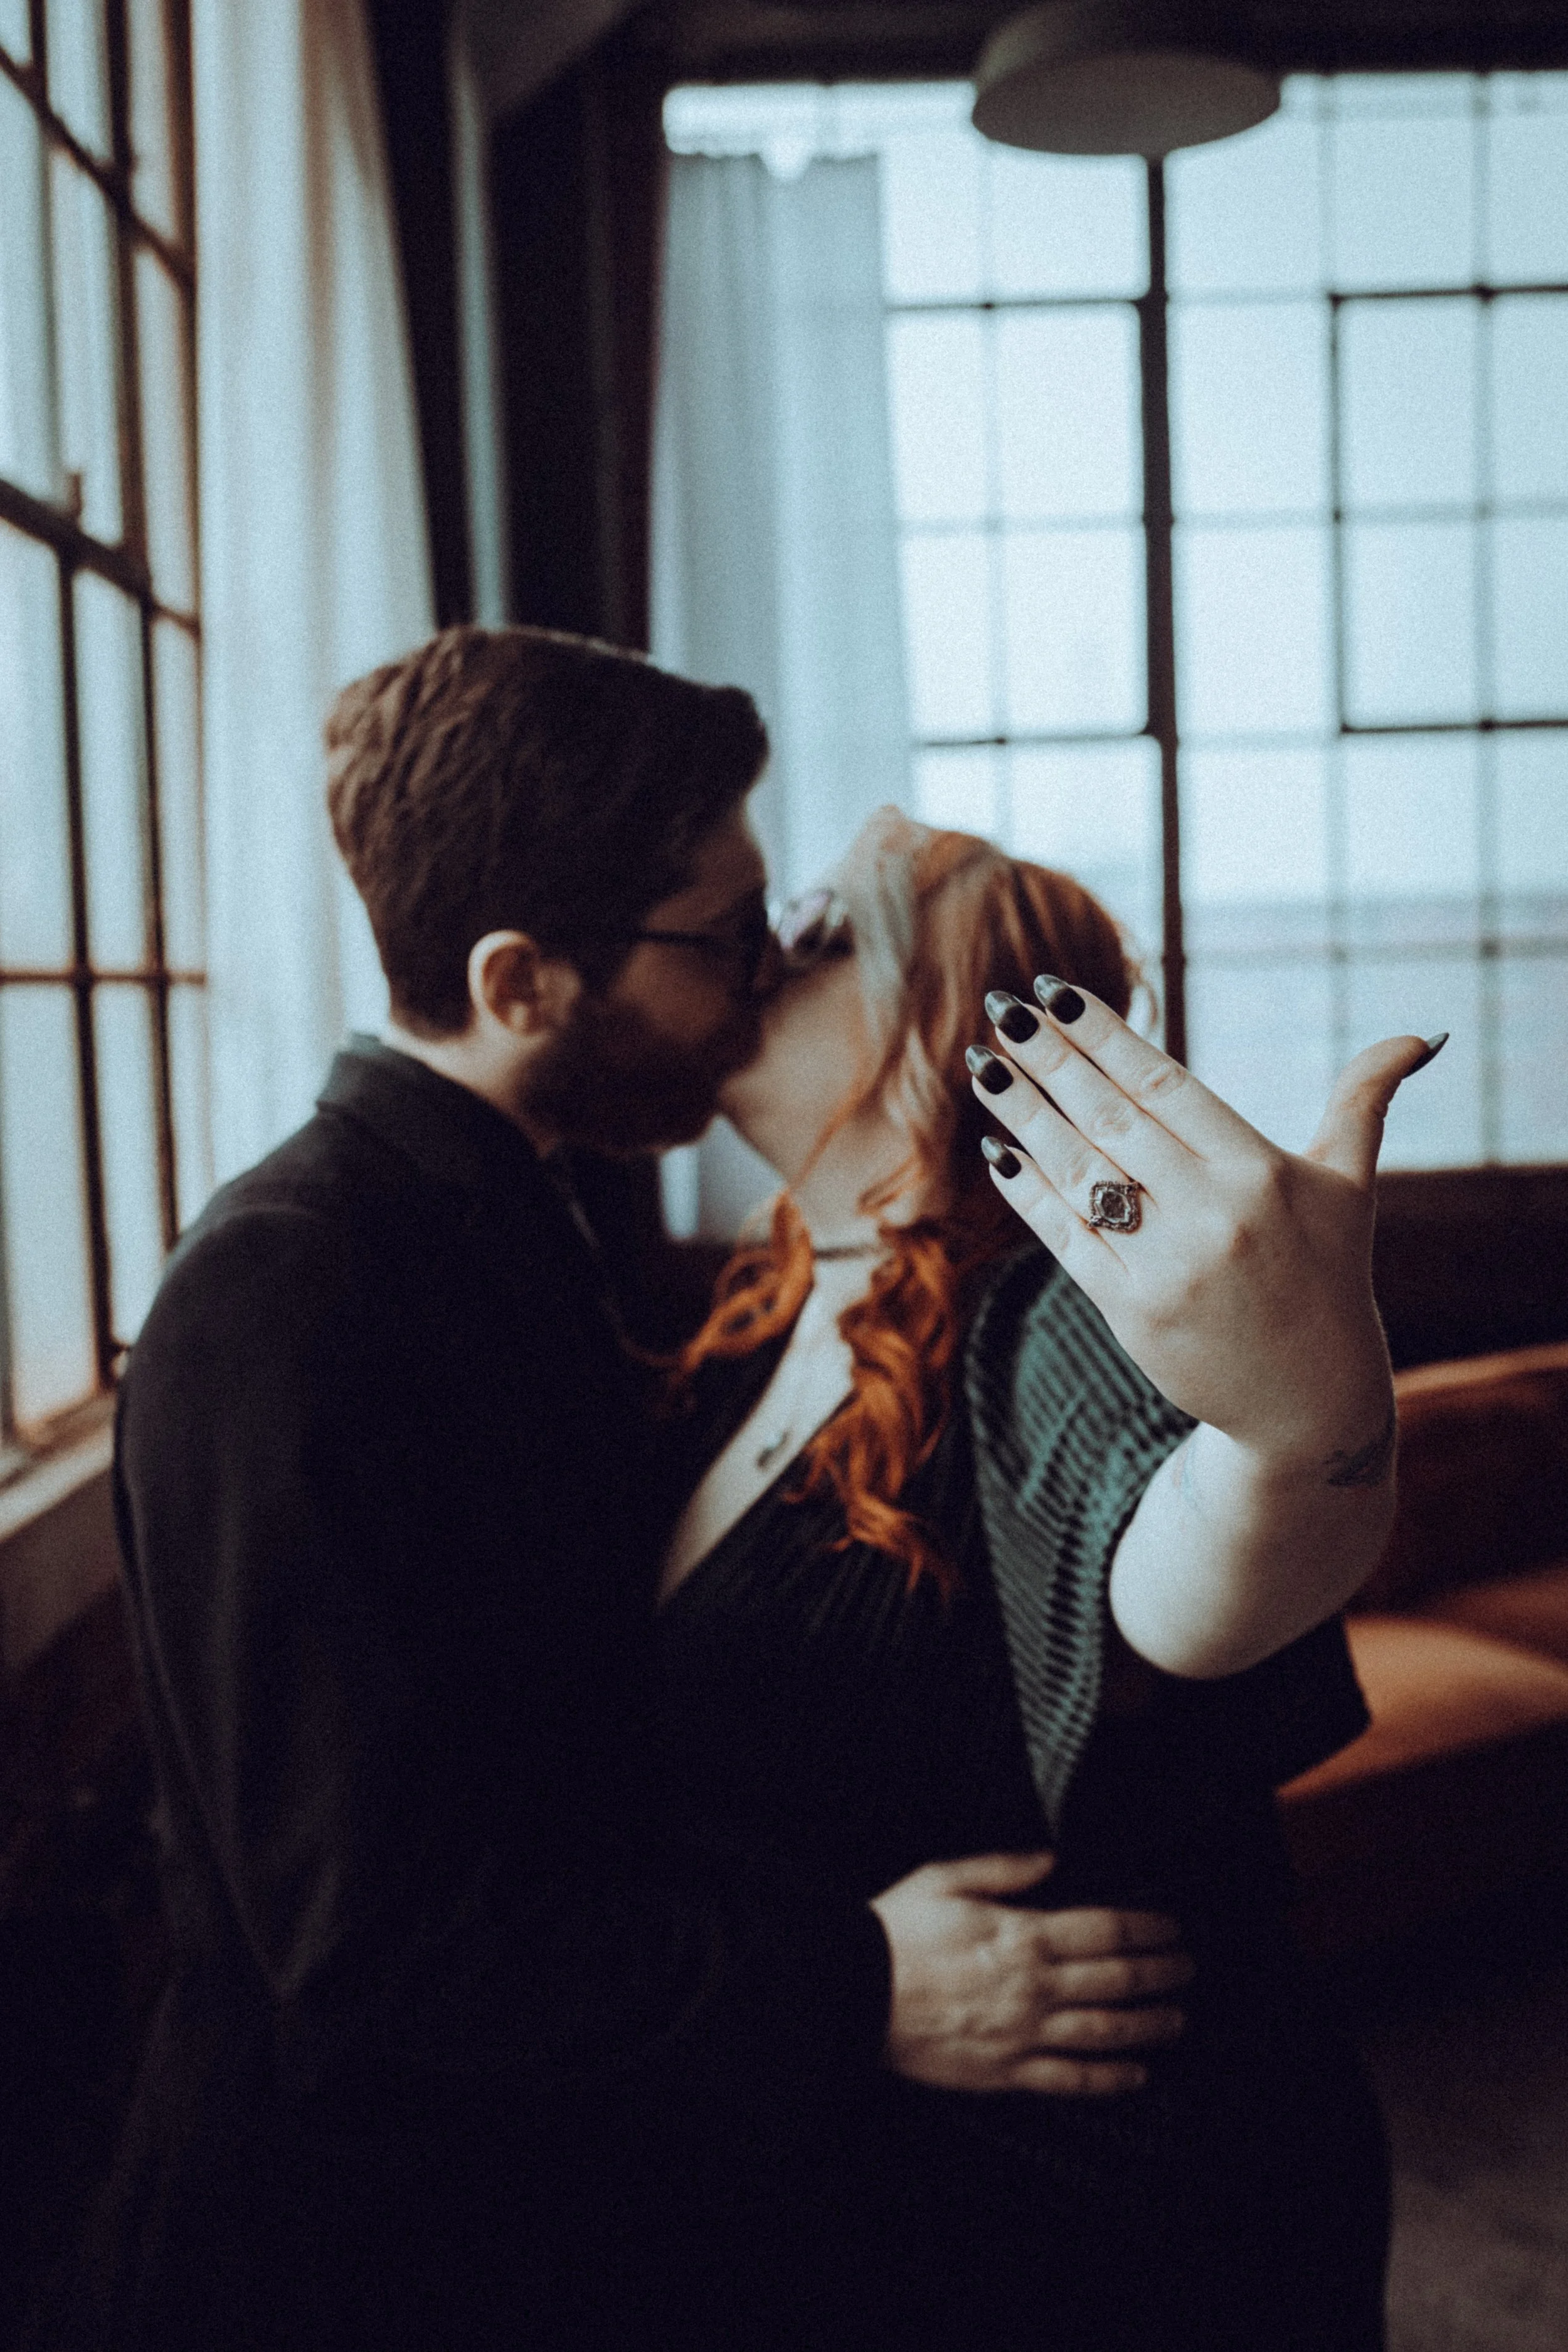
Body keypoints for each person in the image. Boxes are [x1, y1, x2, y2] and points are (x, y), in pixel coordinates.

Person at [43, 633, 1193, 2352]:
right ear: (521, 984)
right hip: (335, 2257)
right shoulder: (283, 1293)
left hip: (555, 2201)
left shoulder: (521, 1215)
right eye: (719, 935)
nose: (753, 973)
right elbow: (364, 1952)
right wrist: (857, 1984)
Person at [651, 810, 1443, 2351]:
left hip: (1117, 2212)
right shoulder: (752, 1331)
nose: (762, 953)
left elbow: (1183, 1560)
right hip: (880, 2187)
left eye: (818, 935)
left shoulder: (1040, 1319)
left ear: (930, 1025)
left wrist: (1297, 1436)